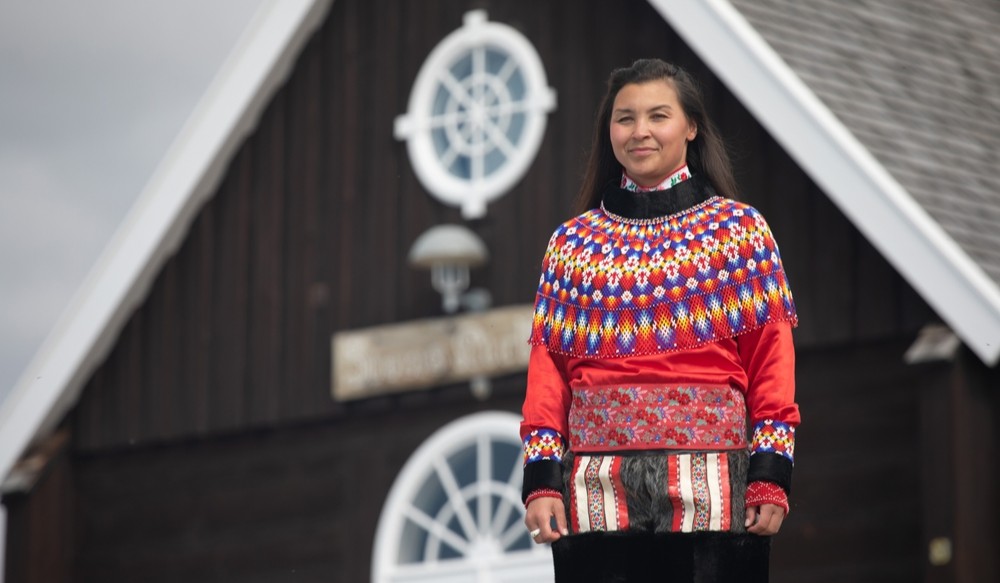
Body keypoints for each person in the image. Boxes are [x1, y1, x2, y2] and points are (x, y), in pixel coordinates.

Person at [519, 59, 799, 582]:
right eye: (625, 118)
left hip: (715, 485)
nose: (639, 131)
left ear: (691, 126)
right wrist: (541, 481)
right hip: (595, 487)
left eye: (658, 116)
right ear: (609, 132)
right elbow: (548, 374)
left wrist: (771, 475)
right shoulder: (572, 247)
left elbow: (771, 363)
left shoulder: (738, 233)